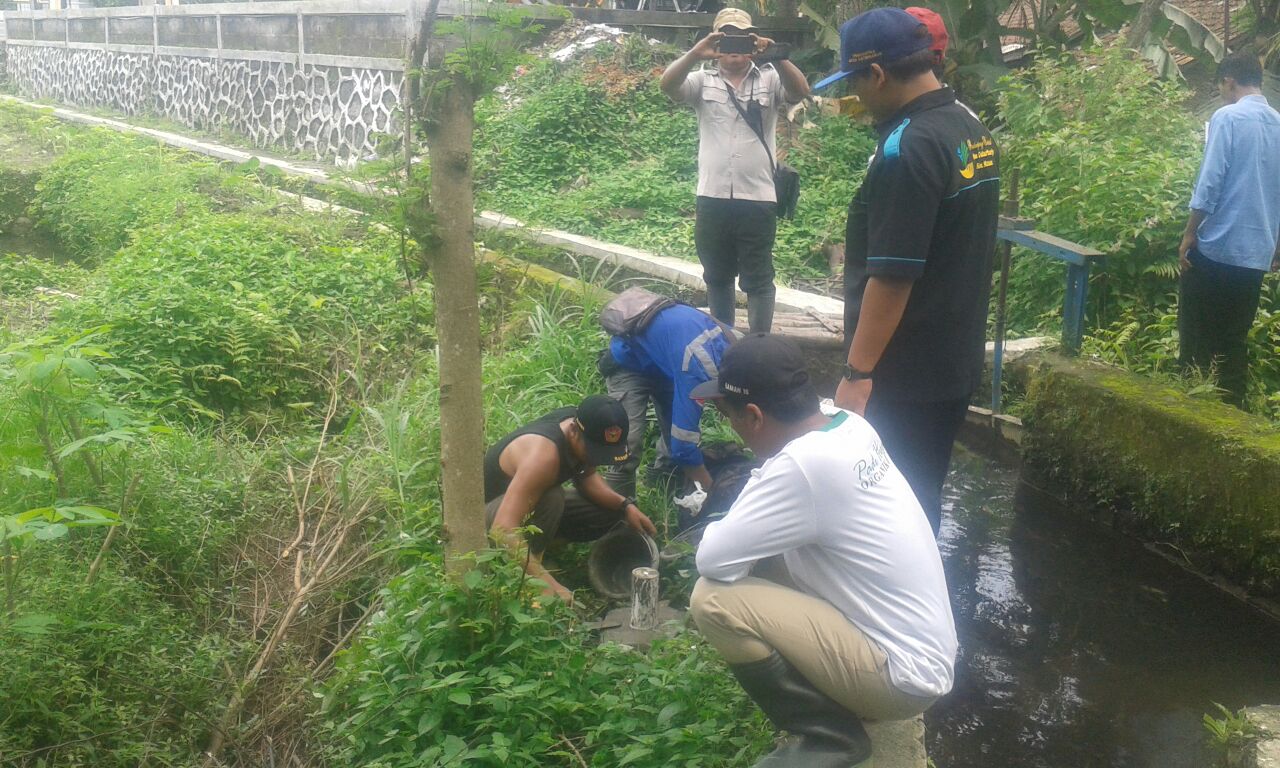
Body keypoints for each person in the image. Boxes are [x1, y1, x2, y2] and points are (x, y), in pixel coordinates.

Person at [687, 334, 957, 768]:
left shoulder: (803, 466)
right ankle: (847, 702)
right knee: (765, 550)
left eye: (728, 415)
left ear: (754, 415)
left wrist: (759, 481)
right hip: (925, 656)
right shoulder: (847, 424)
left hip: (899, 679)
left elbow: (712, 559)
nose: (731, 425)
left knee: (713, 598)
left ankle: (830, 737)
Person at [814, 7, 1000, 534]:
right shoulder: (969, 126)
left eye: (855, 79)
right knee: (922, 497)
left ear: (876, 74)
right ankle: (924, 606)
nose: (856, 94)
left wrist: (857, 374)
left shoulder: (907, 148)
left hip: (904, 371)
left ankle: (895, 614)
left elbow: (893, 276)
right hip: (952, 358)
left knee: (888, 510)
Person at [659, 8, 810, 334]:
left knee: (758, 278)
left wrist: (778, 56)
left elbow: (800, 91)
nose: (734, 48)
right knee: (717, 275)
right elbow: (667, 85)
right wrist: (695, 52)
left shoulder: (770, 78)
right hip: (712, 197)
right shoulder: (702, 80)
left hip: (757, 197)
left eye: (741, 37)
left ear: (753, 39)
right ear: (716, 38)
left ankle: (758, 347)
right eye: (727, 37)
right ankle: (723, 341)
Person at [1178, 52, 1280, 408]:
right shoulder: (1279, 124)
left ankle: (1188, 411)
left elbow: (1210, 183)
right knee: (1234, 340)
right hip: (1256, 255)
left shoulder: (1228, 118)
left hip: (1217, 248)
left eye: (1221, 85)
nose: (1220, 91)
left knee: (1195, 336)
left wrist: (1190, 232)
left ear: (1230, 81)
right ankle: (1232, 413)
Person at [484, 395, 657, 603]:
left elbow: (586, 475)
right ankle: (525, 573)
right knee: (552, 497)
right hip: (488, 519)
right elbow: (502, 529)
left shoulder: (584, 426)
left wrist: (625, 506)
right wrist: (546, 584)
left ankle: (540, 552)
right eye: (594, 452)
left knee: (613, 512)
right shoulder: (542, 457)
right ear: (574, 431)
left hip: (525, 506)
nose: (596, 459)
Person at [597, 287, 736, 497]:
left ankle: (663, 488)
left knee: (673, 432)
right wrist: (712, 495)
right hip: (629, 363)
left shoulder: (736, 342)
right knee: (628, 440)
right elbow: (684, 446)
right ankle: (619, 511)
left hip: (668, 361)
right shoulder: (697, 370)